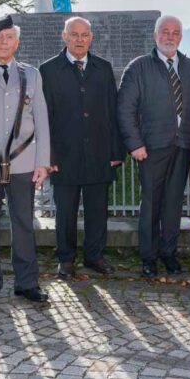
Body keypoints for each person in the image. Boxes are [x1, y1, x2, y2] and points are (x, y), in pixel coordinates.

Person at [0, 16, 50, 307]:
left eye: (10, 37)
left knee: (24, 224)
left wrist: (43, 162)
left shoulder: (32, 75)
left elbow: (41, 119)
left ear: (17, 42)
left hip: (23, 162)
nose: (5, 42)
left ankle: (27, 283)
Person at [118, 15, 190, 276]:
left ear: (180, 37)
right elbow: (125, 109)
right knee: (152, 204)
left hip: (183, 146)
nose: (169, 36)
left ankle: (169, 253)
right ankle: (148, 257)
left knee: (173, 204)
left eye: (175, 32)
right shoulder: (139, 67)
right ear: (155, 36)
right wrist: (135, 144)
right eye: (164, 31)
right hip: (151, 148)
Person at [40, 17, 124, 280]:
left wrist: (115, 152)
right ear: (63, 36)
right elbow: (44, 117)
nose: (79, 39)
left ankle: (94, 256)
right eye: (74, 34)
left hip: (99, 153)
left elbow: (113, 112)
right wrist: (48, 155)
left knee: (97, 210)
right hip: (64, 156)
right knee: (65, 211)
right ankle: (65, 259)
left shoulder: (103, 68)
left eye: (84, 35)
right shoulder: (49, 70)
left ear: (91, 38)